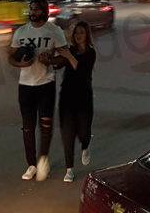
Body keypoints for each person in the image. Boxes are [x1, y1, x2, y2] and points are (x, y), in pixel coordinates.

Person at [9, 0, 76, 182]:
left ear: (46, 12)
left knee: (45, 126)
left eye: (37, 9)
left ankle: (43, 159)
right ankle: (31, 165)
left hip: (46, 85)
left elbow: (65, 58)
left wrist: (51, 61)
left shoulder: (55, 32)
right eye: (31, 9)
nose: (33, 12)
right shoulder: (21, 32)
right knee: (27, 128)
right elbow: (11, 57)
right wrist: (20, 63)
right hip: (25, 86)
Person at [56, 21, 96, 183]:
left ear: (86, 35)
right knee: (67, 133)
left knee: (84, 132)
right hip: (67, 97)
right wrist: (49, 59)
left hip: (84, 97)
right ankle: (69, 169)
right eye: (76, 33)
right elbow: (58, 63)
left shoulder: (90, 53)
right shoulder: (69, 50)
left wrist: (69, 56)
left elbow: (82, 72)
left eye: (81, 33)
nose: (78, 36)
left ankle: (85, 147)